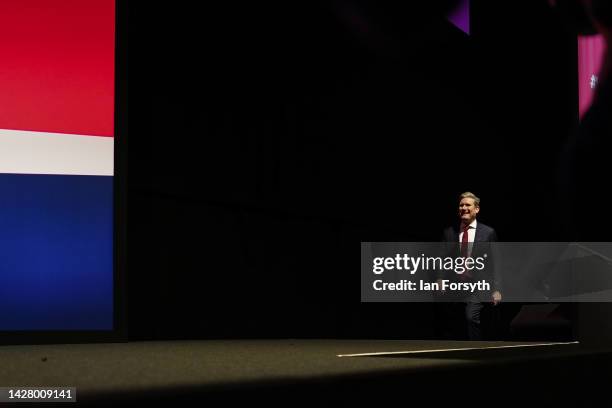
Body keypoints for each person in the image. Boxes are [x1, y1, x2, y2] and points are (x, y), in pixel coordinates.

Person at [436, 192, 502, 340]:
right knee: (453, 324)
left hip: (477, 286)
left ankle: (475, 352)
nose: (464, 208)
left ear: (476, 209)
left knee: (471, 318)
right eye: (461, 205)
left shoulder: (488, 233)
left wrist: (497, 289)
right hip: (454, 286)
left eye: (468, 205)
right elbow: (442, 259)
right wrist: (440, 278)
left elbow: (497, 262)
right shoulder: (449, 232)